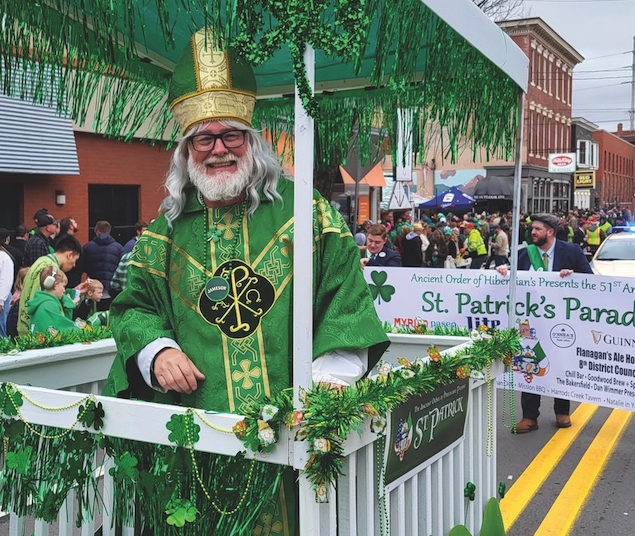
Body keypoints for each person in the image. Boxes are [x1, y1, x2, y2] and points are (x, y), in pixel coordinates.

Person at [104, 28, 388, 535]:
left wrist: (324, 391)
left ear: (252, 143)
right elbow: (133, 308)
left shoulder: (308, 215)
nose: (218, 149)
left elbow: (346, 307)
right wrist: (157, 351)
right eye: (203, 138)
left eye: (230, 134)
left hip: (290, 438)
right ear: (186, 151)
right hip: (194, 442)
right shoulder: (163, 234)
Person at [496, 213, 592, 434]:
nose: (533, 232)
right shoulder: (524, 254)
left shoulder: (571, 252)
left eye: (538, 229)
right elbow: (512, 280)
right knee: (529, 361)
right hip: (530, 321)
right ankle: (529, 416)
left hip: (561, 321)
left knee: (561, 361)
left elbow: (590, 281)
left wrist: (574, 275)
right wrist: (503, 272)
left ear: (550, 232)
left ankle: (562, 411)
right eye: (532, 229)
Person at [17, 237, 82, 336]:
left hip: (25, 326)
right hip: (38, 332)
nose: (74, 265)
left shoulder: (41, 261)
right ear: (69, 255)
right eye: (75, 260)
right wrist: (69, 304)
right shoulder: (51, 270)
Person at [79, 221, 124, 311]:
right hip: (111, 288)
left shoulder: (88, 247)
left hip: (93, 287)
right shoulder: (118, 248)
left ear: (96, 231)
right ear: (109, 231)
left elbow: (82, 266)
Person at [28, 265, 79, 335]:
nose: (64, 290)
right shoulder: (49, 305)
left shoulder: (42, 302)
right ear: (55, 285)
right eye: (63, 286)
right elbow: (64, 329)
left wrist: (68, 304)